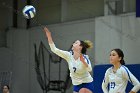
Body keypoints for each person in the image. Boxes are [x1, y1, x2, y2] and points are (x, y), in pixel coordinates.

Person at [44, 27, 94, 93]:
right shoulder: (68, 55)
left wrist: (83, 62)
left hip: (87, 83)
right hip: (76, 84)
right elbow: (54, 49)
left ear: (80, 47)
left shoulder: (84, 57)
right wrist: (49, 36)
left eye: (76, 43)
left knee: (82, 91)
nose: (73, 44)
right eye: (74, 43)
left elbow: (90, 69)